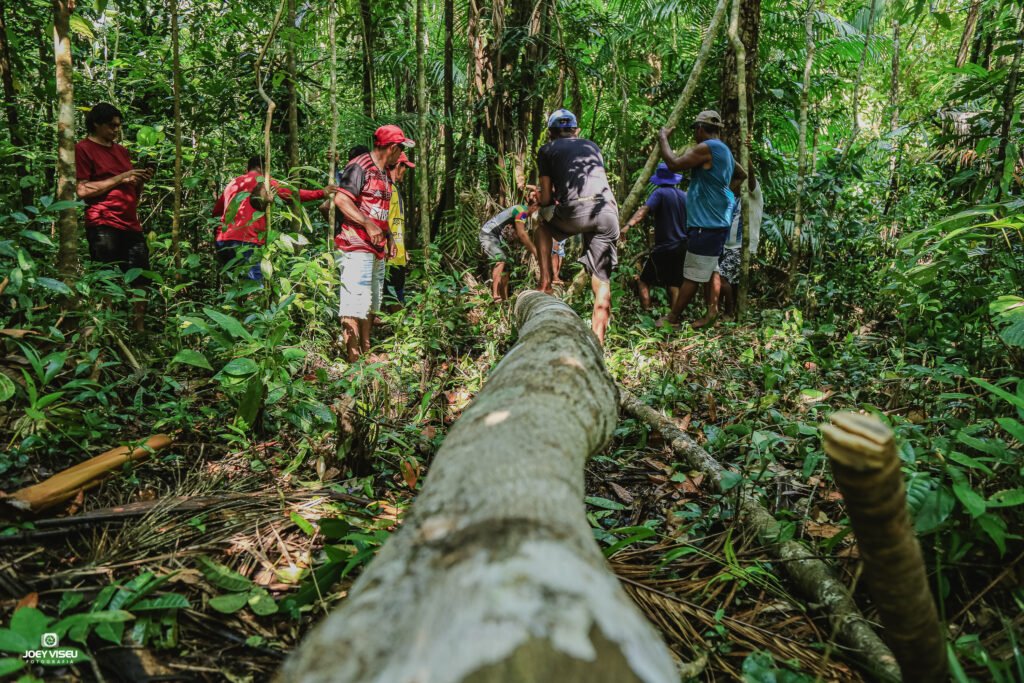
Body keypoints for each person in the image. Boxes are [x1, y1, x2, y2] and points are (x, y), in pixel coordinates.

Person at [656, 110, 746, 328]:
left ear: (700, 129)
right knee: (711, 269)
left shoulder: (708, 148)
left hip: (706, 225)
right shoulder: (724, 150)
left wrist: (662, 139)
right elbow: (741, 174)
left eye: (695, 130)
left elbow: (674, 164)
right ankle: (712, 312)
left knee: (693, 274)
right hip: (715, 222)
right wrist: (724, 194)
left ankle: (673, 318)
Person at [535, 109, 620, 343]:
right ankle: (598, 342)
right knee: (602, 279)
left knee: (540, 223)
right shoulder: (592, 146)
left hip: (575, 211)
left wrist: (545, 198)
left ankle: (545, 284)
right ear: (576, 131)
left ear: (550, 133)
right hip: (607, 212)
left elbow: (544, 200)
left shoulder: (547, 150)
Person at [332, 125, 413, 362]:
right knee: (353, 301)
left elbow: (381, 210)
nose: (401, 156)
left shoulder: (385, 172)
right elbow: (341, 200)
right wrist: (367, 224)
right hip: (355, 245)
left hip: (377, 249)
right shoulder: (359, 167)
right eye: (401, 150)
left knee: (370, 301)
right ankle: (353, 356)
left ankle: (367, 348)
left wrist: (388, 238)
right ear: (391, 148)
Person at [76, 103, 154, 332]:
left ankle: (138, 329)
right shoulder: (83, 149)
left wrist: (138, 180)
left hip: (130, 223)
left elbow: (132, 191)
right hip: (103, 221)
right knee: (106, 278)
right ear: (96, 124)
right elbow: (82, 190)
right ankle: (106, 330)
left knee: (141, 277)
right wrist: (121, 177)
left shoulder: (121, 151)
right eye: (111, 126)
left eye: (118, 126)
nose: (116, 130)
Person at [213, 155, 333, 280]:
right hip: (247, 240)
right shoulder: (263, 181)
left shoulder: (232, 183)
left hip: (223, 240)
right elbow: (291, 193)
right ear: (263, 168)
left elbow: (217, 211)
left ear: (247, 168)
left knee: (236, 285)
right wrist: (321, 193)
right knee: (254, 288)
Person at [620, 162, 689, 311]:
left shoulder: (659, 193)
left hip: (665, 247)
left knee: (644, 281)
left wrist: (627, 226)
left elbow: (643, 211)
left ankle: (647, 312)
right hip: (683, 245)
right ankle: (675, 318)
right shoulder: (685, 196)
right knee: (674, 283)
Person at [479, 190, 540, 301]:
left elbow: (517, 235)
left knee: (506, 268)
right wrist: (535, 251)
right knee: (501, 260)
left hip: (499, 239)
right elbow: (522, 234)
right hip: (489, 234)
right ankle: (495, 295)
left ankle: (504, 299)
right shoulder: (521, 211)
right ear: (534, 207)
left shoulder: (523, 215)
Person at [717, 176, 763, 320]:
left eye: (735, 182)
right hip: (727, 247)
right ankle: (735, 312)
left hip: (741, 247)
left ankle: (728, 312)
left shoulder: (754, 196)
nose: (732, 185)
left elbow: (749, 174)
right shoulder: (733, 199)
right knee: (732, 283)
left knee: (720, 278)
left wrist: (745, 156)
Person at [385, 152, 415, 309]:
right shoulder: (386, 188)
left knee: (398, 294)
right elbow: (382, 218)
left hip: (398, 254)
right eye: (405, 167)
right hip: (389, 254)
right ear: (398, 165)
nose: (405, 171)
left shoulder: (394, 189)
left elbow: (396, 222)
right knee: (393, 298)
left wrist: (404, 248)